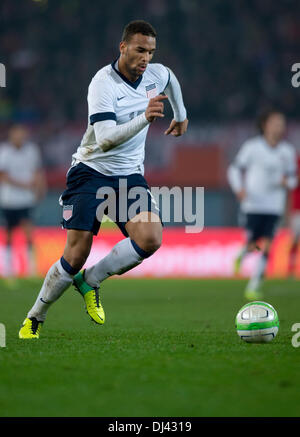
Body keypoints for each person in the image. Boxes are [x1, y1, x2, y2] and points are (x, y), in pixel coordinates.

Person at [19, 20, 188, 339]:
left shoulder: (155, 73)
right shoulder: (103, 83)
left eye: (150, 52)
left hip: (129, 176)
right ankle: (35, 316)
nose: (146, 58)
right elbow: (107, 138)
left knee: (151, 238)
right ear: (123, 47)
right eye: (140, 50)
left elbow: (171, 79)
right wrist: (145, 117)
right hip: (90, 172)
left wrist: (181, 114)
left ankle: (91, 280)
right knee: (76, 252)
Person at [227, 109, 297, 300]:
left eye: (281, 123)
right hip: (253, 205)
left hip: (274, 207)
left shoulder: (287, 152)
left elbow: (293, 180)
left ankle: (254, 284)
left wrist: (287, 183)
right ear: (265, 125)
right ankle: (243, 253)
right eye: (275, 122)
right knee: (252, 244)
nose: (279, 127)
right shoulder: (252, 147)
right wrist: (239, 189)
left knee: (267, 246)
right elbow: (234, 169)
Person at [0, 124, 46, 277]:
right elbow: (3, 176)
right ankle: (8, 269)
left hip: (26, 199)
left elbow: (38, 171)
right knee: (8, 233)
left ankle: (30, 268)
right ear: (11, 135)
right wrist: (24, 184)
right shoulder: (5, 151)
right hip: (9, 199)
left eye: (22, 134)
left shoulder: (32, 150)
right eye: (16, 134)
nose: (19, 137)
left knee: (28, 231)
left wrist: (39, 188)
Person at [287, 155, 300, 277]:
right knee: (295, 239)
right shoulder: (295, 161)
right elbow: (292, 181)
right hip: (297, 209)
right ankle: (290, 267)